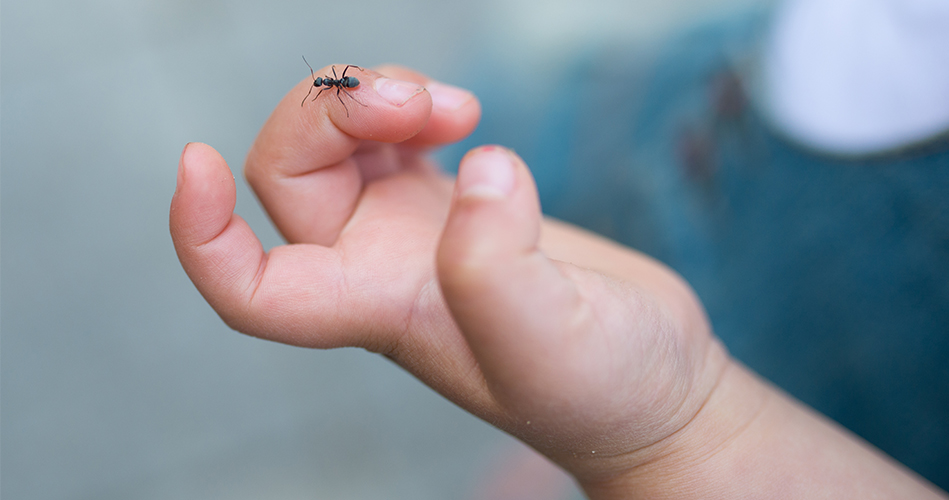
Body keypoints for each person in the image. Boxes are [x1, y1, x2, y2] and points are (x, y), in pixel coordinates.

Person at [169, 48, 947, 496]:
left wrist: (676, 429)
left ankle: (564, 442)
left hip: (847, 292)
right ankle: (544, 411)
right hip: (733, 86)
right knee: (537, 158)